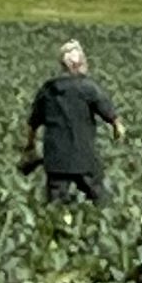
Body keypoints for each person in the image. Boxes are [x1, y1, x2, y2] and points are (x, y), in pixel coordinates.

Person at [22, 39, 122, 203]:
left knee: (56, 202)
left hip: (56, 158)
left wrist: (30, 146)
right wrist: (117, 126)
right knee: (99, 198)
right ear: (80, 64)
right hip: (83, 157)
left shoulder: (48, 89)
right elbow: (109, 113)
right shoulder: (88, 88)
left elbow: (33, 123)